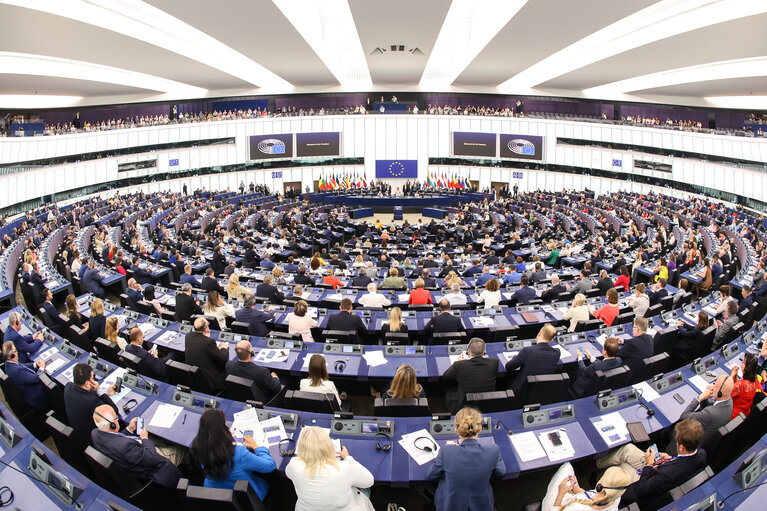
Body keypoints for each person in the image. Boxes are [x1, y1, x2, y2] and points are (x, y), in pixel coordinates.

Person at [597, 419, 706, 508]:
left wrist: (649, 464)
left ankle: (594, 481)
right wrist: (670, 458)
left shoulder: (666, 475)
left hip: (646, 478)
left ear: (681, 447)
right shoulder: (701, 454)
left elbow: (641, 490)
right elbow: (681, 462)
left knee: (617, 469)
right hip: (658, 467)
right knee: (628, 449)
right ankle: (595, 464)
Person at [426, 407, 505, 511]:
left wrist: (448, 450)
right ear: (480, 429)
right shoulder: (493, 450)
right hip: (481, 505)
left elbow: (431, 475)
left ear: (457, 430)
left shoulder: (447, 451)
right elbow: (501, 472)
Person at [192, 409, 276, 501]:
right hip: (246, 500)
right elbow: (270, 466)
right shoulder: (239, 453)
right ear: (223, 430)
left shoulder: (199, 448)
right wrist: (256, 447)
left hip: (216, 497)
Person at [90, 404, 182, 489]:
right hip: (154, 464)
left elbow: (115, 439)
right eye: (116, 418)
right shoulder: (125, 446)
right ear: (112, 425)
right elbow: (151, 457)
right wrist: (145, 438)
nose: (117, 420)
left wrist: (129, 429)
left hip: (137, 451)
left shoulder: (95, 433)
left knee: (159, 439)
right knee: (181, 447)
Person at [286, 426, 375, 511]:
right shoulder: (345, 468)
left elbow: (288, 473)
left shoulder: (294, 465)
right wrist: (348, 458)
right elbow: (369, 481)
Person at [668, 374, 733, 455]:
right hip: (707, 439)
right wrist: (705, 399)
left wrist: (700, 397)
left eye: (715, 385)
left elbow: (684, 416)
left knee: (671, 427)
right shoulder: (729, 402)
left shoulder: (711, 413)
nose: (712, 386)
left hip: (691, 444)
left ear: (720, 393)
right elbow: (707, 408)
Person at [64, 363, 119, 444]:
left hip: (78, 431)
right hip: (92, 439)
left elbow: (86, 393)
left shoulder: (68, 387)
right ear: (87, 383)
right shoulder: (91, 401)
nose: (94, 380)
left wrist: (106, 392)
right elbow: (114, 411)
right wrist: (100, 391)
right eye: (92, 378)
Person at [442, 338, 497, 413]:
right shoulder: (494, 362)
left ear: (468, 352)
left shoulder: (459, 365)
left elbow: (445, 376)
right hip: (486, 403)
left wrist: (458, 361)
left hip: (464, 405)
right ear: (484, 352)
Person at [543, 464, 630, 511]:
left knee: (566, 466)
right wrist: (578, 490)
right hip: (574, 500)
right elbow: (593, 499)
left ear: (600, 487)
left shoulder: (576, 509)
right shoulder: (615, 498)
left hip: (556, 507)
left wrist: (561, 493)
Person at [504, 324, 560, 397]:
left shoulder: (527, 351)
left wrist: (516, 357)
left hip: (521, 391)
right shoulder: (557, 352)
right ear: (552, 339)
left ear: (539, 334)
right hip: (540, 391)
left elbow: (508, 367)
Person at [1, 341, 49, 411]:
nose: (17, 352)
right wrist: (41, 368)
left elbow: (23, 365)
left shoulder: (9, 364)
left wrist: (35, 365)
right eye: (15, 351)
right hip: (38, 397)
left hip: (28, 391)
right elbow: (36, 379)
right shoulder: (17, 371)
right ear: (12, 355)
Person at [184, 317, 228, 393]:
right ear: (206, 328)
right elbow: (223, 358)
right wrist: (224, 348)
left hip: (194, 377)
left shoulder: (188, 336)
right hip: (210, 381)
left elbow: (201, 345)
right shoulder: (209, 342)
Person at [729, 352, 758, 420]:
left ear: (747, 367)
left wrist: (732, 376)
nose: (742, 362)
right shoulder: (753, 379)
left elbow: (725, 395)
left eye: (744, 362)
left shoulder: (742, 384)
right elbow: (739, 388)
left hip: (732, 415)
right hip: (743, 414)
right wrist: (735, 376)